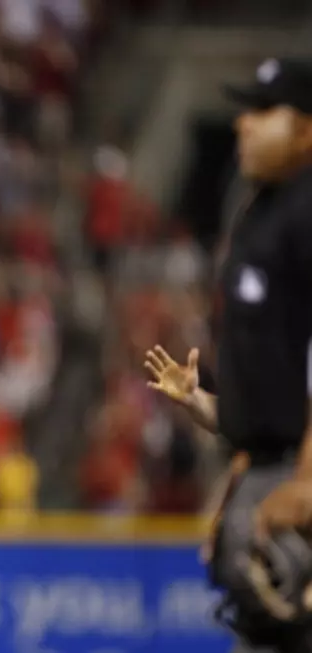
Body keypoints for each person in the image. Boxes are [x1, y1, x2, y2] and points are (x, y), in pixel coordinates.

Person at [145, 58, 312, 653]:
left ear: (306, 129)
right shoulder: (261, 213)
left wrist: (307, 477)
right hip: (272, 469)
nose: (245, 124)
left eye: (265, 111)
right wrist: (207, 408)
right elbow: (277, 403)